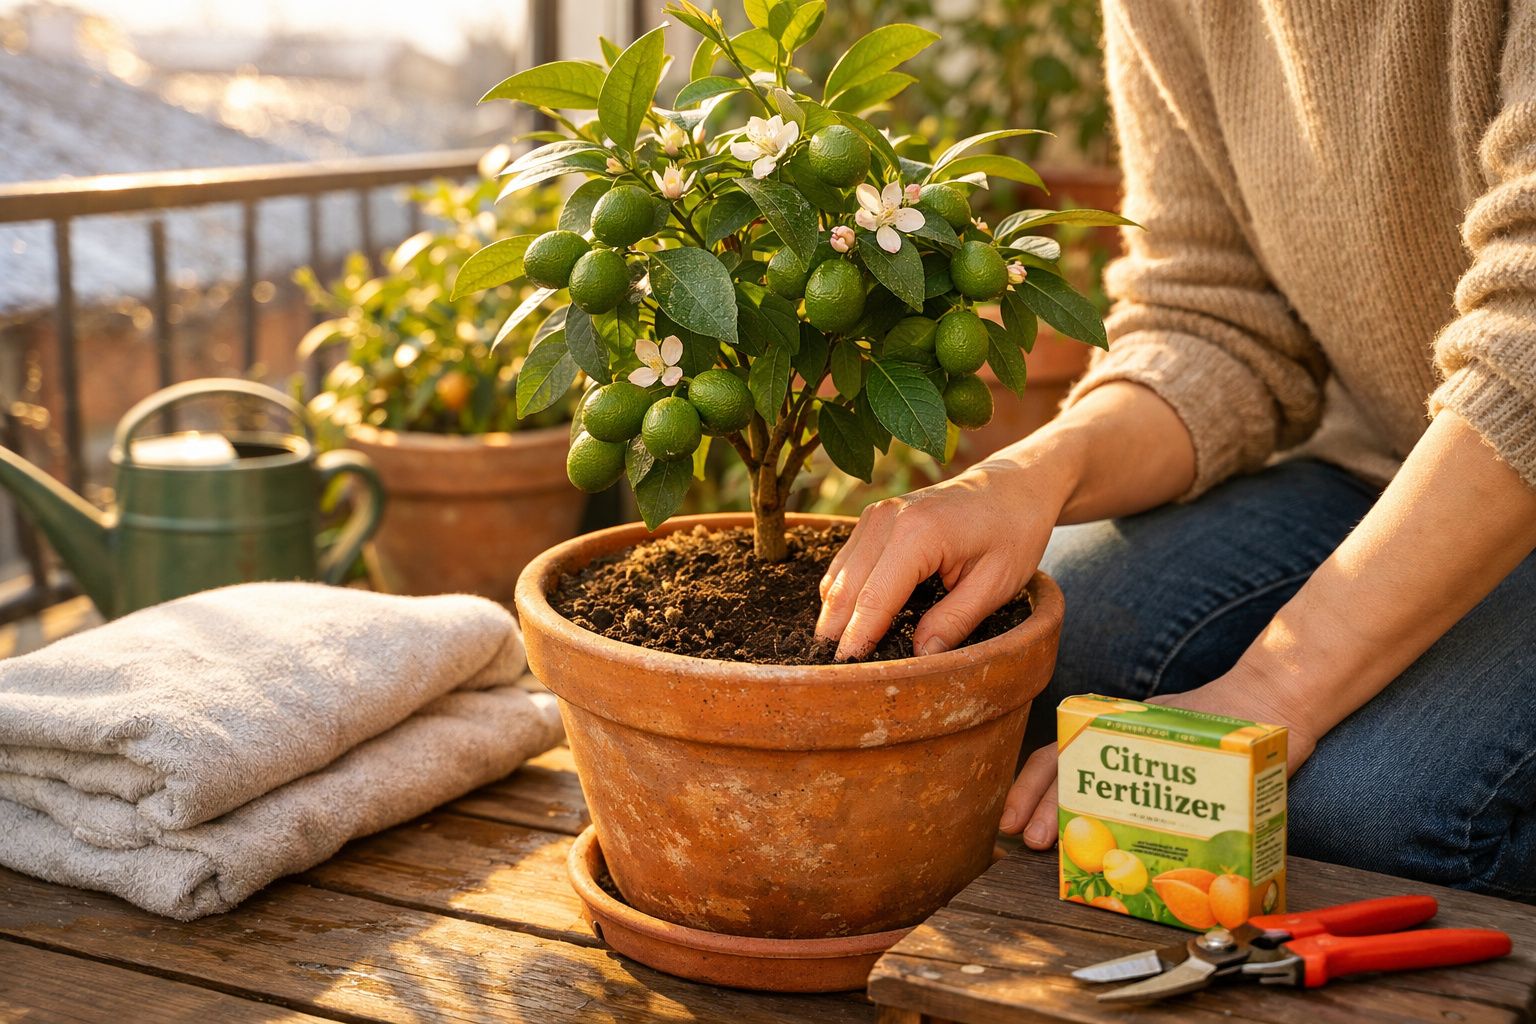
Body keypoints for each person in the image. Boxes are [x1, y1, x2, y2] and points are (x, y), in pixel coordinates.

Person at [815, 0, 1536, 901]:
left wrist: (1274, 691)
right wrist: (1031, 475)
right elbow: (1210, 314)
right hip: (1386, 453)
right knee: (1043, 654)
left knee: (1365, 812)